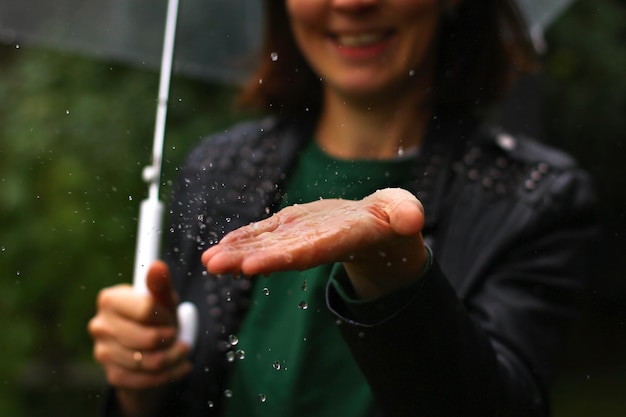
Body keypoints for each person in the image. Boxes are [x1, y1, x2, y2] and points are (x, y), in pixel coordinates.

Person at [88, 0, 597, 416]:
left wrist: (393, 280)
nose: (352, 3)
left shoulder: (533, 199)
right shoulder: (218, 172)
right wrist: (142, 389)